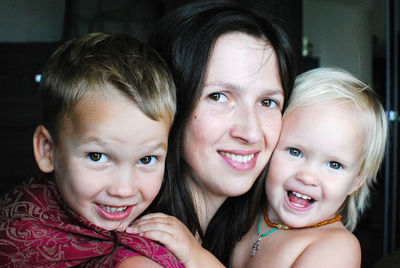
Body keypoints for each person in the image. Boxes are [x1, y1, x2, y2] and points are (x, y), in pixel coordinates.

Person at [127, 0, 297, 266]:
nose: (251, 132)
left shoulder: (245, 239)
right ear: (171, 102)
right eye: (218, 96)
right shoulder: (144, 257)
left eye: (267, 102)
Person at [0, 32, 183, 267]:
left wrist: (195, 254)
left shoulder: (169, 231)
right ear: (47, 150)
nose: (123, 189)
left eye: (146, 159)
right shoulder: (18, 228)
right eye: (97, 157)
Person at [230, 67, 388, 267]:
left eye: (334, 164)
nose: (308, 177)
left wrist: (198, 257)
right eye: (295, 152)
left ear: (356, 180)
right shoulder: (246, 213)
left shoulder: (337, 248)